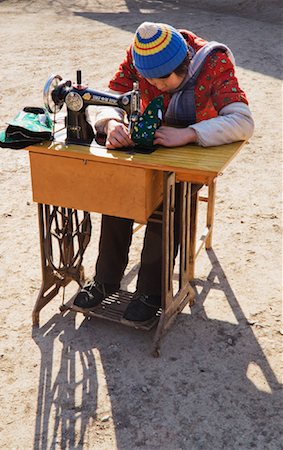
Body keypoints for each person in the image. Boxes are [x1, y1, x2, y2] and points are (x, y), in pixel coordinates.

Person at [72, 21, 254, 324]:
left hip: (196, 148)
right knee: (119, 192)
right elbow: (112, 94)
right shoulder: (140, 55)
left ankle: (151, 292)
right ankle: (105, 279)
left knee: (170, 201)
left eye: (162, 80)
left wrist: (190, 133)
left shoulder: (213, 61)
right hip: (154, 140)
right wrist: (110, 122)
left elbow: (243, 121)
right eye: (148, 80)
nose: (154, 86)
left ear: (184, 65)